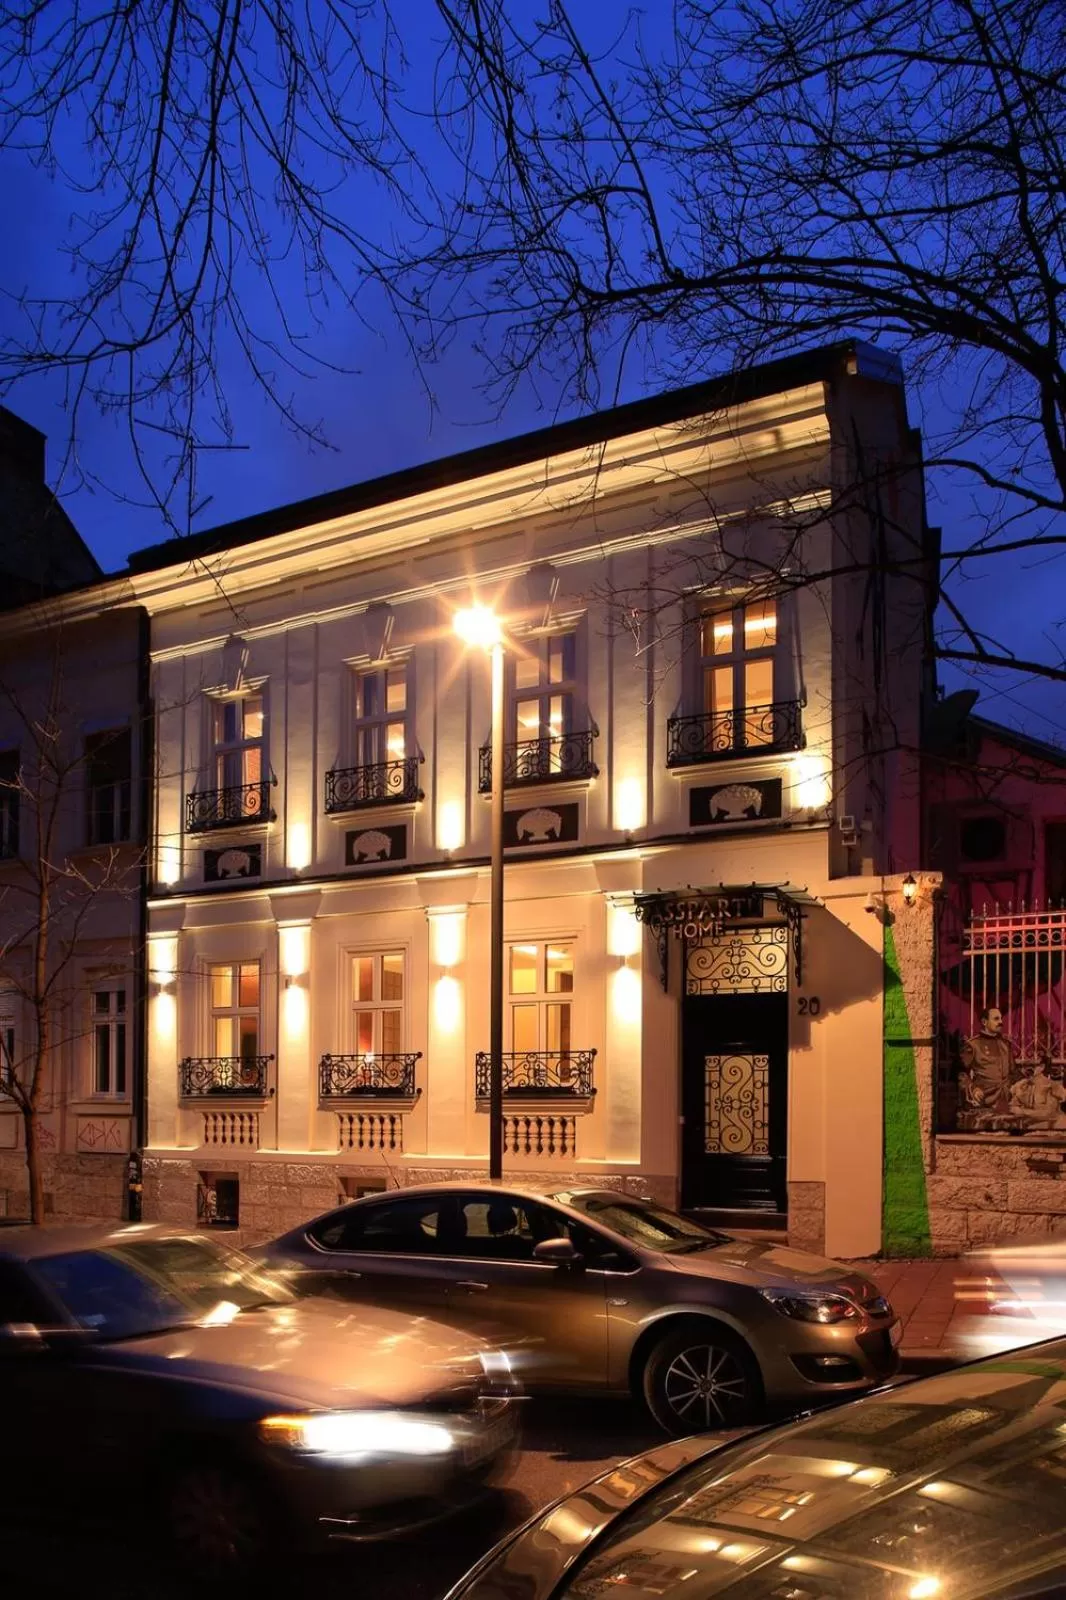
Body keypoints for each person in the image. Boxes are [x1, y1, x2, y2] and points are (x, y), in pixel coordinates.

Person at [960, 1007, 1015, 1116]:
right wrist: (973, 1089)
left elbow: (1013, 1072)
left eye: (1001, 1019)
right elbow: (961, 1073)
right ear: (984, 1022)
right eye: (996, 1019)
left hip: (1008, 1099)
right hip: (985, 1099)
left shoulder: (1006, 1044)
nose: (1001, 1022)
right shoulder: (973, 1045)